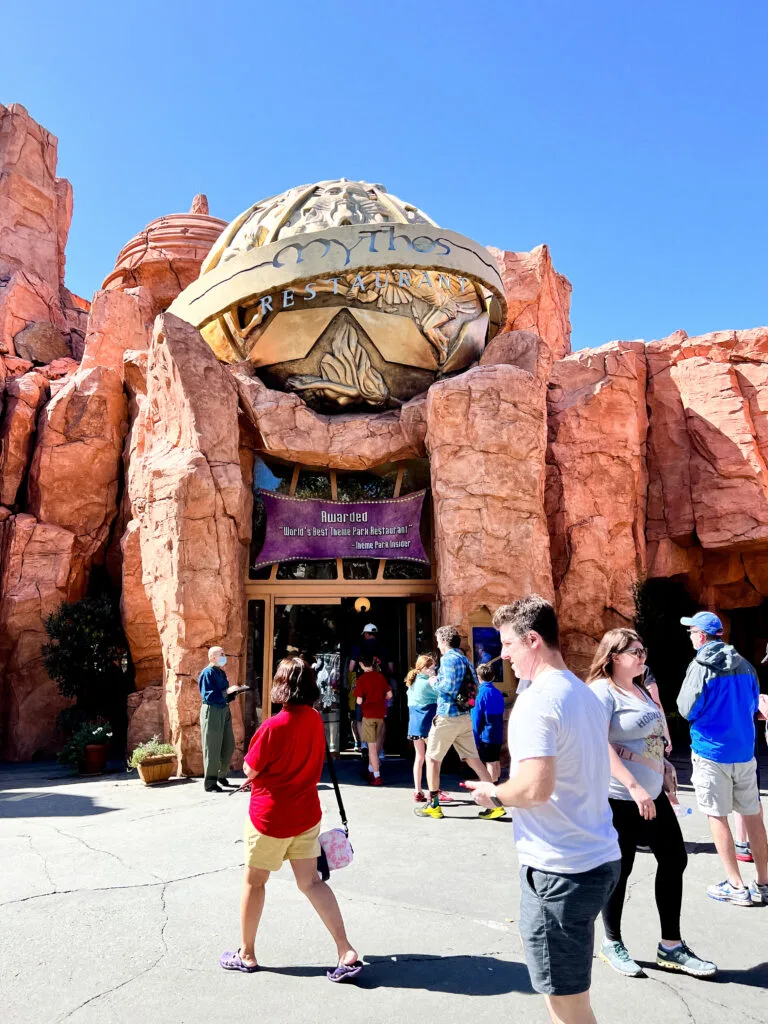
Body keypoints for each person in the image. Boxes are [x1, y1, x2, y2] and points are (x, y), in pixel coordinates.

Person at [466, 596, 620, 1024]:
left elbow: (534, 788)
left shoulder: (536, 702)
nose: (504, 655)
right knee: (568, 997)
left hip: (561, 870)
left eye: (509, 645)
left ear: (533, 640)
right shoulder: (583, 694)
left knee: (568, 1007)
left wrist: (492, 793)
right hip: (595, 856)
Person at [220, 657, 363, 982]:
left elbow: (249, 769)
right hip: (306, 816)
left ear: (280, 686)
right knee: (311, 882)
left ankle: (247, 953)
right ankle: (346, 950)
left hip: (269, 819)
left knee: (255, 883)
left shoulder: (273, 726)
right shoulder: (314, 719)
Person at [587, 629, 716, 978]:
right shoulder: (601, 692)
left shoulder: (640, 690)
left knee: (675, 859)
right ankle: (612, 942)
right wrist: (633, 785)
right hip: (618, 798)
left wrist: (663, 766)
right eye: (635, 651)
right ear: (614, 656)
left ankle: (670, 947)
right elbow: (599, 745)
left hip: (652, 793)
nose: (643, 656)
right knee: (619, 870)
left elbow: (649, 738)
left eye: (644, 650)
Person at [677, 611, 768, 906]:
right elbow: (754, 705)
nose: (690, 636)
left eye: (692, 632)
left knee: (717, 815)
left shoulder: (700, 666)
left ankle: (736, 885)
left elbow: (685, 708)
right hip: (744, 752)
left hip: (711, 751)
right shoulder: (746, 665)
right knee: (752, 815)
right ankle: (764, 883)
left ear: (702, 636)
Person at [414, 626, 493, 821]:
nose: (438, 645)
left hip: (447, 715)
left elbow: (447, 687)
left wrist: (433, 680)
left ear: (444, 641)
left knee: (432, 759)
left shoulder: (448, 659)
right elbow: (475, 683)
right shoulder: (464, 659)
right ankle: (495, 803)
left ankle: (433, 805)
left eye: (438, 641)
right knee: (473, 759)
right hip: (464, 715)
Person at [197, 645, 236, 793]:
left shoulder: (221, 672)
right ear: (212, 657)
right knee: (212, 747)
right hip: (212, 710)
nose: (224, 656)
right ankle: (210, 782)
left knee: (229, 744)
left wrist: (232, 693)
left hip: (224, 709)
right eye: (221, 654)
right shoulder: (207, 673)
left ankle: (221, 775)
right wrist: (226, 692)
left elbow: (224, 693)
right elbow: (209, 695)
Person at [355, 656, 391, 786]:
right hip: (380, 714)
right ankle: (371, 770)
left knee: (371, 747)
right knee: (377, 744)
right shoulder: (380, 677)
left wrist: (366, 701)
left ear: (361, 665)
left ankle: (376, 775)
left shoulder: (361, 679)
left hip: (368, 715)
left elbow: (359, 701)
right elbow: (389, 695)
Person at [472, 662, 506, 784]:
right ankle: (496, 783)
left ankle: (492, 790)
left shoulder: (480, 694)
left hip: (486, 734)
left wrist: (475, 739)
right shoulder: (498, 693)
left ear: (478, 677)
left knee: (490, 762)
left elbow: (476, 718)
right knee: (496, 760)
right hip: (497, 732)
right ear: (492, 677)